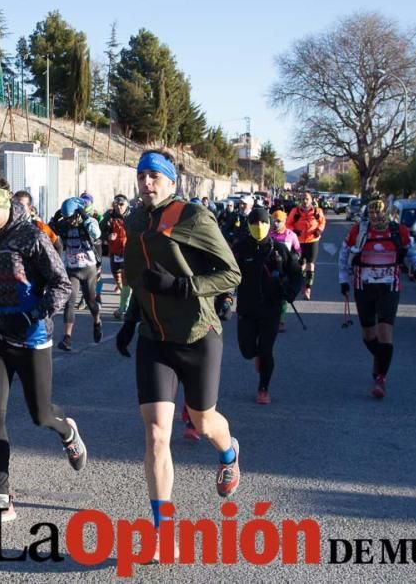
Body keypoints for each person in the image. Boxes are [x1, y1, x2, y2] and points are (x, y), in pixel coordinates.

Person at [115, 149, 242, 551]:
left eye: (155, 176)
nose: (147, 183)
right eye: (141, 176)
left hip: (197, 334)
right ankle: (161, 530)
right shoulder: (135, 220)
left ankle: (229, 451)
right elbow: (142, 280)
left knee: (203, 423)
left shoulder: (192, 217)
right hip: (155, 338)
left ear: (171, 182)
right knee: (156, 434)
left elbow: (231, 272)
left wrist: (184, 287)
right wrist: (133, 320)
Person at [0, 174, 86, 528]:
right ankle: (2, 499)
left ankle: (67, 431)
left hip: (32, 337)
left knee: (40, 415)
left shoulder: (31, 237)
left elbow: (61, 283)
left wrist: (36, 312)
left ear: (4, 207)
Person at [338, 198, 416, 399]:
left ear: (387, 213)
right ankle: (380, 357)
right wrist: (343, 280)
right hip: (363, 287)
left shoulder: (398, 231)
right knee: (368, 336)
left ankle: (381, 379)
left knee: (385, 331)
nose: (376, 216)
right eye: (372, 213)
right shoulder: (359, 232)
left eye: (380, 212)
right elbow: (343, 256)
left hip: (389, 287)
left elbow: (411, 253)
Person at [234, 207, 301, 405]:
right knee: (247, 351)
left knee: (266, 350)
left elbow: (297, 275)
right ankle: (259, 357)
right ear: (248, 225)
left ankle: (263, 388)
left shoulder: (279, 250)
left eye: (263, 222)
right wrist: (224, 298)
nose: (259, 226)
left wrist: (291, 290)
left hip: (271, 309)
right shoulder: (240, 248)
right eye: (254, 223)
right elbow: (227, 275)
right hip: (246, 309)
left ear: (269, 225)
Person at [50, 197, 103, 350]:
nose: (70, 221)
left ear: (79, 213)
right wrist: (56, 218)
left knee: (91, 301)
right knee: (69, 302)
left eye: (72, 217)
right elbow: (48, 232)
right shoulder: (64, 225)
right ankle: (67, 338)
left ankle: (97, 321)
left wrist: (85, 217)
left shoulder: (89, 222)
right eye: (67, 218)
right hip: (71, 269)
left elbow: (96, 233)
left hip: (88, 268)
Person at [287, 192, 326, 300]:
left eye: (307, 199)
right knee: (300, 266)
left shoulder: (317, 211)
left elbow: (322, 222)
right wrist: (294, 231)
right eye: (303, 199)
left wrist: (319, 230)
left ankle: (308, 289)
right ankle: (301, 284)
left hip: (312, 240)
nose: (305, 201)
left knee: (310, 264)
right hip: (298, 242)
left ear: (311, 200)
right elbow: (288, 224)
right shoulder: (295, 212)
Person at [268, 209, 301, 332]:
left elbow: (298, 251)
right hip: (270, 269)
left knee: (282, 296)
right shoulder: (268, 234)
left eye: (278, 221)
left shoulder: (290, 235)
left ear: (284, 222)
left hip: (285, 270)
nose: (275, 223)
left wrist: (292, 259)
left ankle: (281, 321)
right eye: (273, 220)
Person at [101, 195, 132, 320]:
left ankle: (123, 307)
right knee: (117, 279)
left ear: (127, 205)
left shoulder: (133, 216)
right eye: (116, 204)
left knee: (125, 280)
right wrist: (108, 236)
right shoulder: (110, 216)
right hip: (115, 253)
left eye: (121, 204)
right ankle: (126, 298)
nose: (119, 207)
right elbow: (100, 231)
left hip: (128, 252)